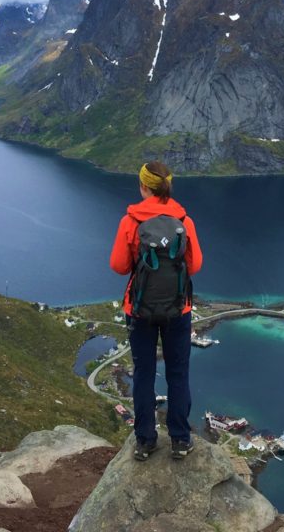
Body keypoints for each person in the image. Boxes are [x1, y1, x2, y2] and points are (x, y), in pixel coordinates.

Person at [110, 160, 203, 460]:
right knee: (178, 373)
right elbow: (196, 265)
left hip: (139, 309)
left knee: (144, 374)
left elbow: (119, 266)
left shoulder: (131, 221)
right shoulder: (184, 220)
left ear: (143, 186)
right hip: (178, 309)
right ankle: (180, 440)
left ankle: (146, 440)